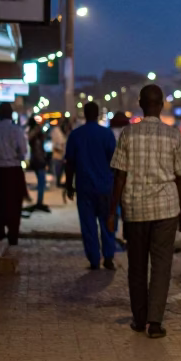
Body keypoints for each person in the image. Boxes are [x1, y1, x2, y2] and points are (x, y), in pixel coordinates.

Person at [109, 85, 181, 337]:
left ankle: (139, 318)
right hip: (166, 209)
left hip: (134, 210)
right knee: (162, 266)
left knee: (137, 266)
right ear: (162, 105)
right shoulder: (173, 135)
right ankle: (155, 322)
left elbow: (119, 176)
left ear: (141, 104)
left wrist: (112, 211)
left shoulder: (127, 134)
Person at [64, 102, 118, 270]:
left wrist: (68, 185)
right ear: (97, 114)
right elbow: (115, 162)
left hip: (84, 187)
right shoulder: (107, 134)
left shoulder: (76, 135)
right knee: (107, 221)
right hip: (105, 187)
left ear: (84, 114)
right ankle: (108, 257)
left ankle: (94, 260)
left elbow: (70, 163)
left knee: (88, 225)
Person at [0, 103, 28, 244]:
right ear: (11, 114)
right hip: (14, 170)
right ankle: (13, 234)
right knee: (14, 203)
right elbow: (24, 152)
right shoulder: (17, 130)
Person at [25, 118, 50, 213]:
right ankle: (40, 202)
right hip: (39, 161)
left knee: (41, 182)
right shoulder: (36, 137)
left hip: (36, 160)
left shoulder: (33, 136)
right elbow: (40, 151)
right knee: (41, 182)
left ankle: (40, 201)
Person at [51, 119, 69, 187]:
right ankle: (58, 183)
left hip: (62, 156)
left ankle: (60, 183)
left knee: (61, 171)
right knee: (58, 172)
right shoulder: (56, 131)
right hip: (58, 156)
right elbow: (56, 144)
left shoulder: (63, 132)